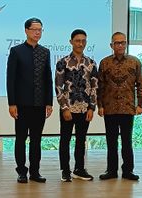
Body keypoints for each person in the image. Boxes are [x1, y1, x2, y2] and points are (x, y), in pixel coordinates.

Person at [6, 17, 53, 183]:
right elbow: (10, 79)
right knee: (20, 139)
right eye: (34, 29)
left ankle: (35, 172)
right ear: (26, 30)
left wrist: (49, 102)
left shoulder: (45, 52)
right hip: (21, 104)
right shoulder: (16, 51)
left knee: (36, 140)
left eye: (40, 29)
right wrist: (12, 103)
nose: (37, 32)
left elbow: (48, 78)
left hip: (39, 104)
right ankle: (21, 171)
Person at [97, 32, 142, 181]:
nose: (120, 45)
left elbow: (141, 84)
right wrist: (100, 106)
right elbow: (100, 86)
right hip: (110, 108)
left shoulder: (135, 62)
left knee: (127, 141)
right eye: (117, 43)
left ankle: (128, 171)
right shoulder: (104, 63)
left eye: (123, 42)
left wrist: (140, 104)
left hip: (128, 108)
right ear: (111, 45)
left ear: (126, 44)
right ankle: (111, 170)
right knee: (111, 142)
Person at [55, 29, 98, 182]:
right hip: (68, 108)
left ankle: (79, 169)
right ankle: (65, 170)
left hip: (85, 108)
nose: (81, 43)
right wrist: (64, 107)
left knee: (81, 139)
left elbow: (94, 87)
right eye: (78, 40)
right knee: (65, 139)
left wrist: (92, 107)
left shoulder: (91, 63)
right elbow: (58, 87)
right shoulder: (63, 62)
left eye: (83, 41)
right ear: (71, 41)